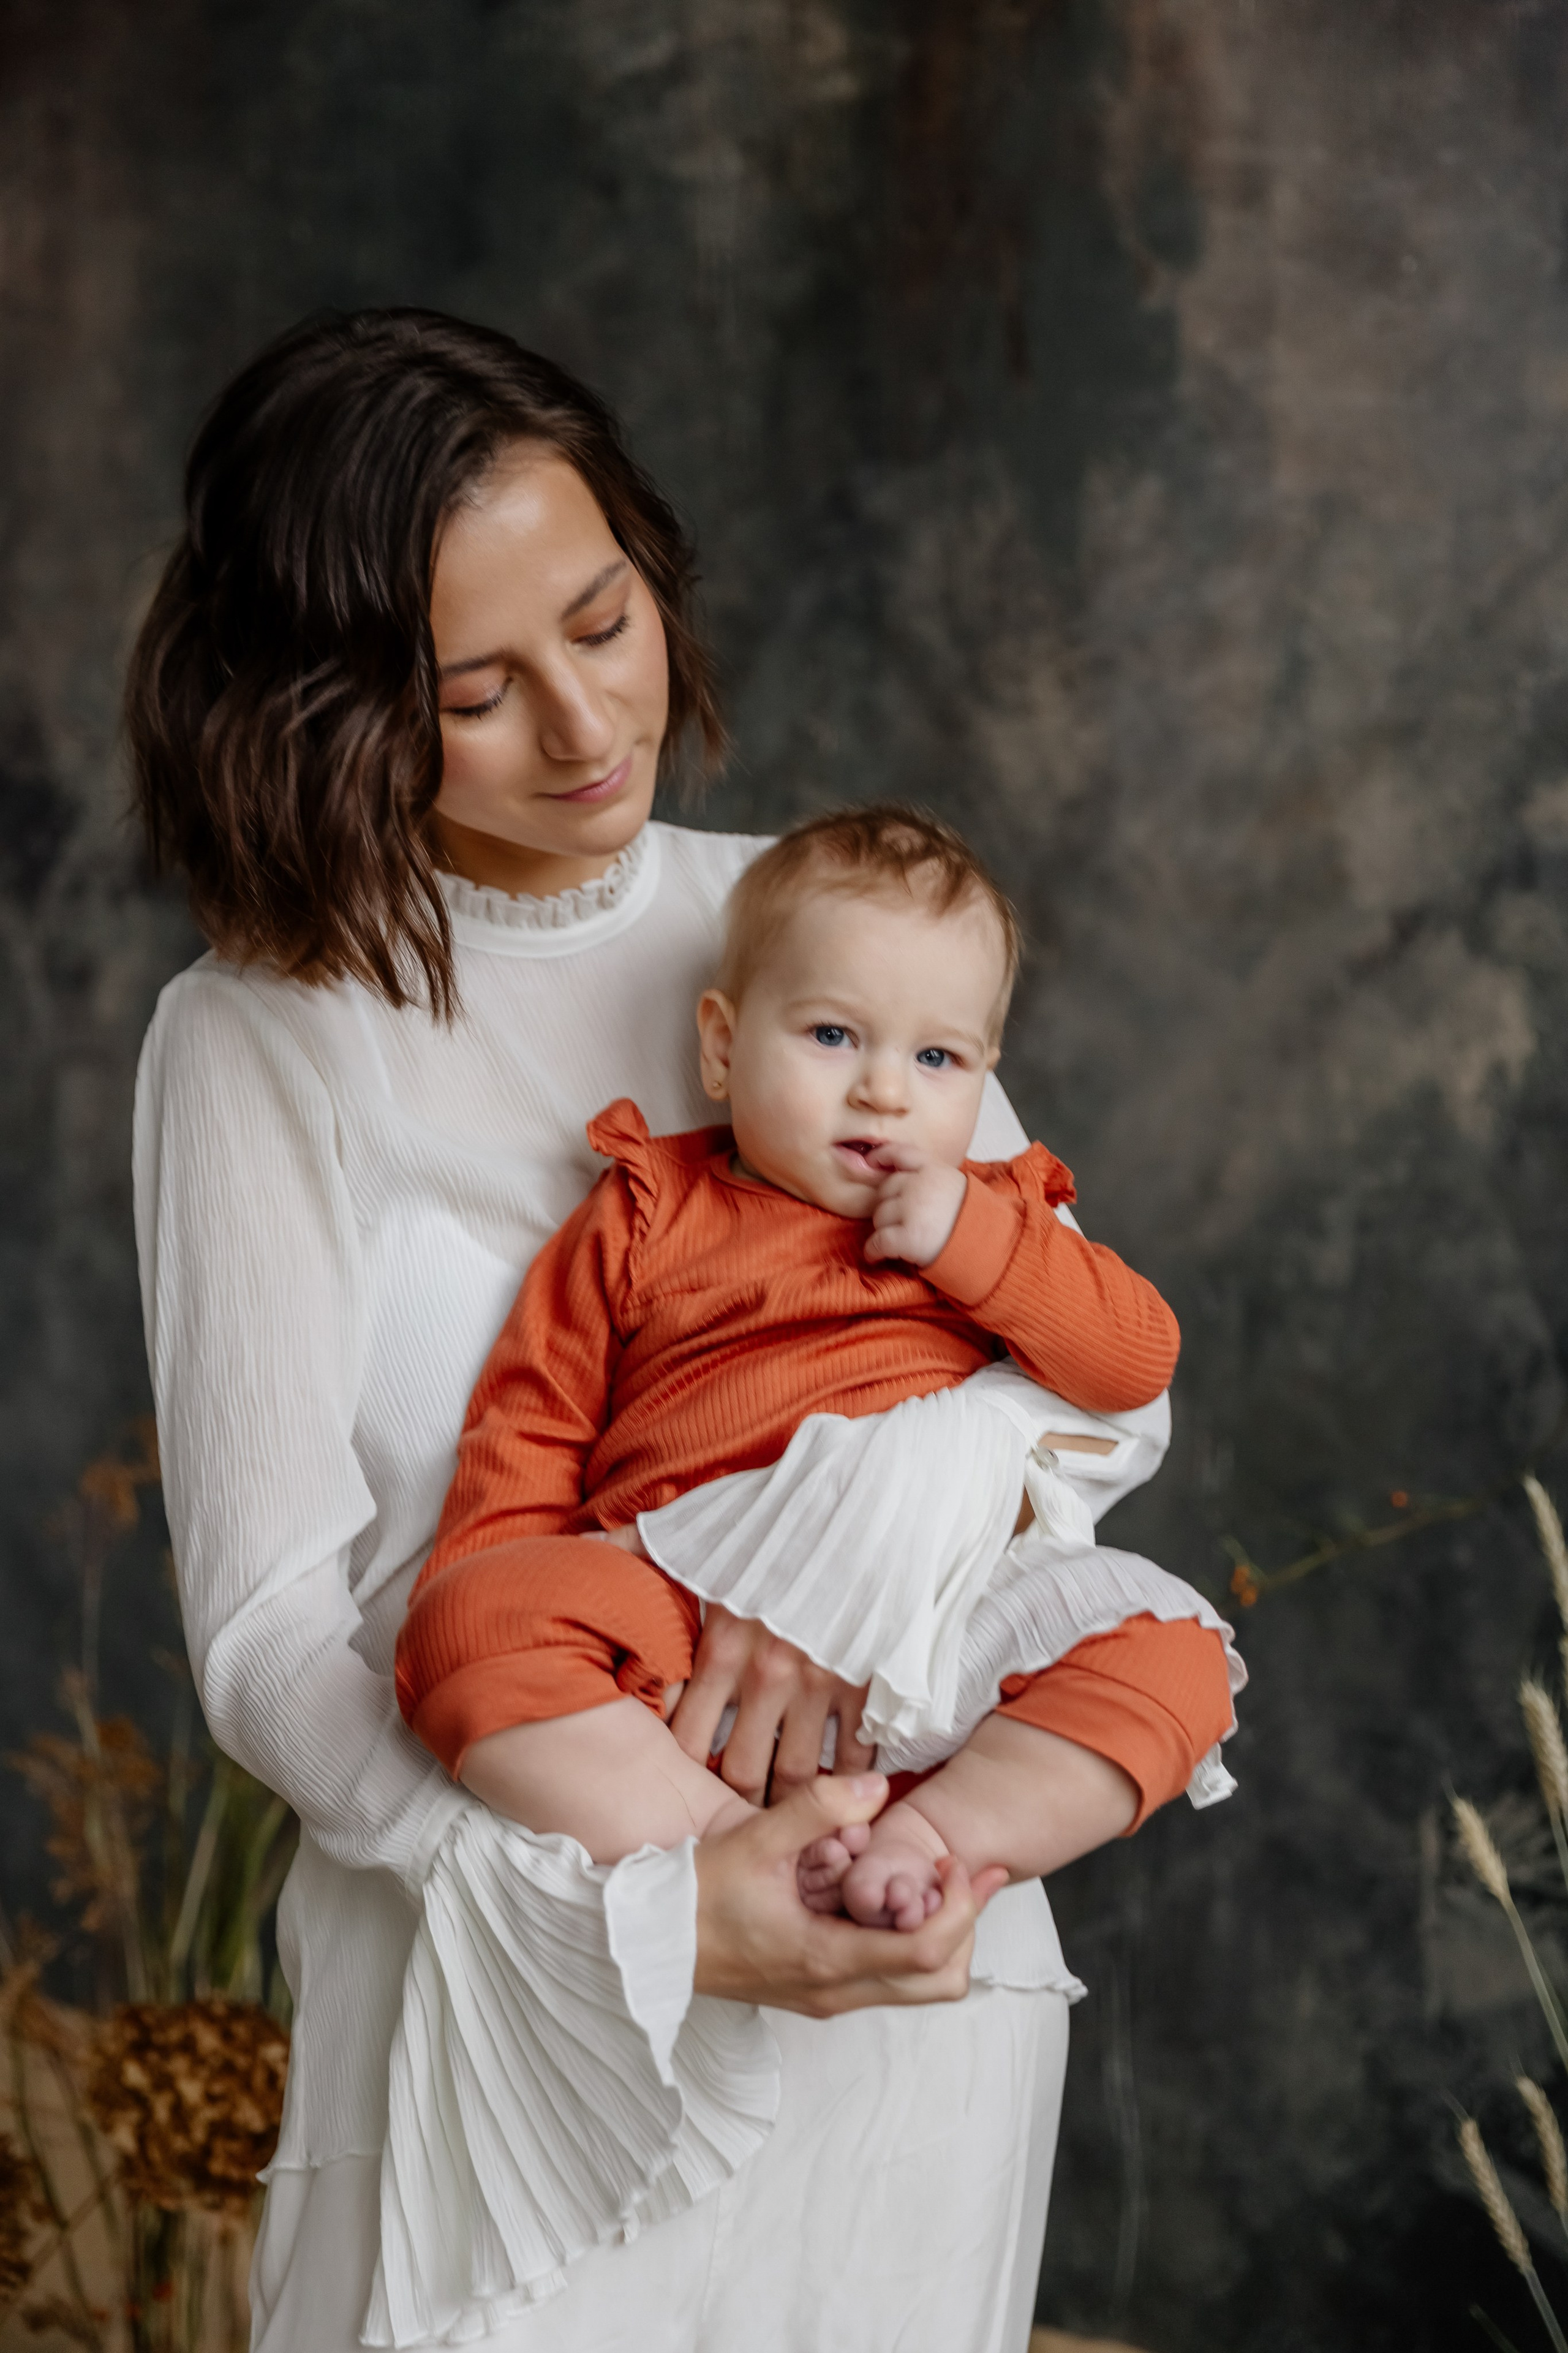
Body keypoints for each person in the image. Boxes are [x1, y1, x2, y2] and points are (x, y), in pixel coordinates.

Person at [129, 307, 1235, 2353]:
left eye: (608, 617)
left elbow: (1090, 1417)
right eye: (473, 690)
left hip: (908, 1946)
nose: (583, 726)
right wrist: (643, 1898)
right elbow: (274, 1634)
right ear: (327, 711)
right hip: (511, 1965)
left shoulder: (832, 941)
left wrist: (834, 1558)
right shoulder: (254, 1039)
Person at [396, 804, 1228, 1938]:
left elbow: (1135, 1361)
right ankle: (727, 1849)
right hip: (687, 1612)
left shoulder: (998, 1216)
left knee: (1178, 1657)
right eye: (833, 1036)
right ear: (724, 1045)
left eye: (936, 1058)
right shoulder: (649, 1210)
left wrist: (979, 1246)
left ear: (982, 1081)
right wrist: (523, 1602)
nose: (885, 1091)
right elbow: (530, 1428)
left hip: (938, 1616)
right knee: (463, 1621)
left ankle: (933, 1840)